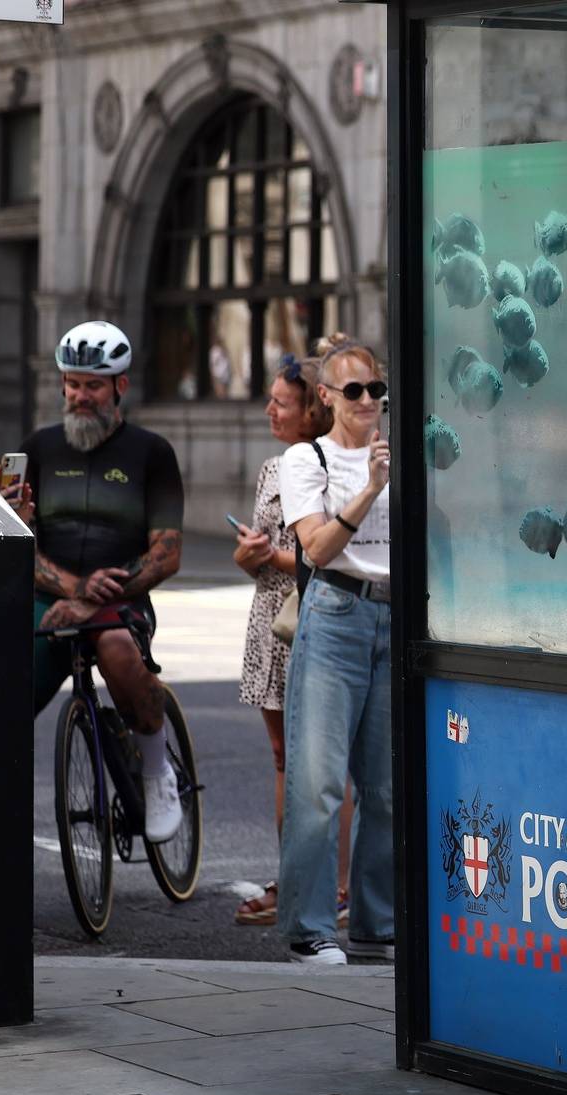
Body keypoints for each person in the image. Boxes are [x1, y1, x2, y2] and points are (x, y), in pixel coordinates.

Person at [4, 321, 185, 844]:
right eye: (74, 384)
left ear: (119, 388)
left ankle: (156, 771)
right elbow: (13, 539)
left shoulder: (153, 453)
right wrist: (69, 587)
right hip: (52, 601)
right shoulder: (35, 449)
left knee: (117, 649)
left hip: (119, 600)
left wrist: (101, 593)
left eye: (94, 385)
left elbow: (167, 552)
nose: (81, 396)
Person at [279, 333, 393, 966]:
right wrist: (371, 488)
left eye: (376, 388)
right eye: (354, 390)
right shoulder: (308, 459)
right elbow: (315, 550)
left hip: (391, 618)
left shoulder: (398, 453)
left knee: (385, 788)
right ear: (326, 397)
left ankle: (378, 927)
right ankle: (309, 929)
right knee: (320, 784)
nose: (368, 400)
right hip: (335, 614)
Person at [232, 356, 353, 927]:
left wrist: (273, 556)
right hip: (271, 625)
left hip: (316, 616)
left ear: (312, 408)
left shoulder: (332, 465)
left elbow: (325, 551)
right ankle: (293, 878)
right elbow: (262, 556)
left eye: (281, 401)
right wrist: (247, 556)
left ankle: (341, 886)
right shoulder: (270, 468)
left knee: (327, 764)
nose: (270, 410)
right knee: (284, 759)